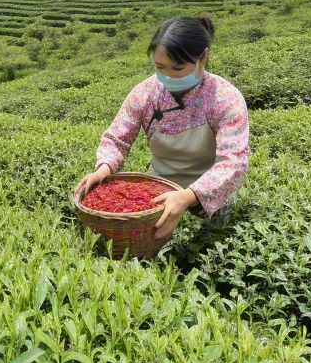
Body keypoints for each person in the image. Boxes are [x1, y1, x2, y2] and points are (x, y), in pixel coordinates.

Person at [75, 14, 248, 242]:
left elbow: (233, 162)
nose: (167, 76)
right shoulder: (145, 93)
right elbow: (117, 138)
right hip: (158, 194)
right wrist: (103, 169)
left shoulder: (225, 98)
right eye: (160, 67)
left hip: (211, 198)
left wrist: (189, 196)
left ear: (202, 57)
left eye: (178, 68)